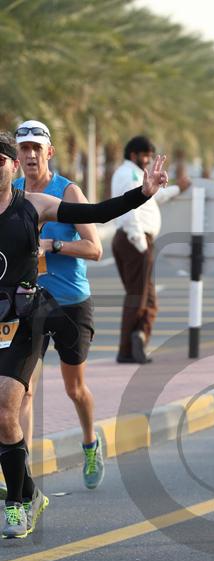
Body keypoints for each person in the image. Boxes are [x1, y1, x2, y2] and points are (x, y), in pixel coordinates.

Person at [0, 130, 167, 538]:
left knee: (9, 406)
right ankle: (29, 492)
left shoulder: (34, 205)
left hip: (26, 320)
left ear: (12, 165)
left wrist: (142, 194)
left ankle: (16, 503)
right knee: (5, 416)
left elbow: (97, 213)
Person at [13, 119, 105, 490]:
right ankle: (24, 476)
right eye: (24, 149)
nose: (31, 155)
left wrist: (54, 245)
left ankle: (90, 442)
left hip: (70, 303)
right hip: (28, 303)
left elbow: (95, 249)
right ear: (16, 156)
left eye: (37, 148)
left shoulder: (68, 192)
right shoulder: (12, 193)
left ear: (49, 152)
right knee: (24, 389)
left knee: (74, 389)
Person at [111, 136, 191, 364]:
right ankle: (126, 350)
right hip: (134, 239)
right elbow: (128, 209)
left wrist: (178, 188)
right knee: (138, 297)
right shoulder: (128, 174)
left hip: (136, 239)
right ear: (133, 155)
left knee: (148, 299)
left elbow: (154, 196)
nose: (148, 159)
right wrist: (140, 243)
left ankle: (139, 337)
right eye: (145, 155)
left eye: (149, 155)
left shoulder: (137, 174)